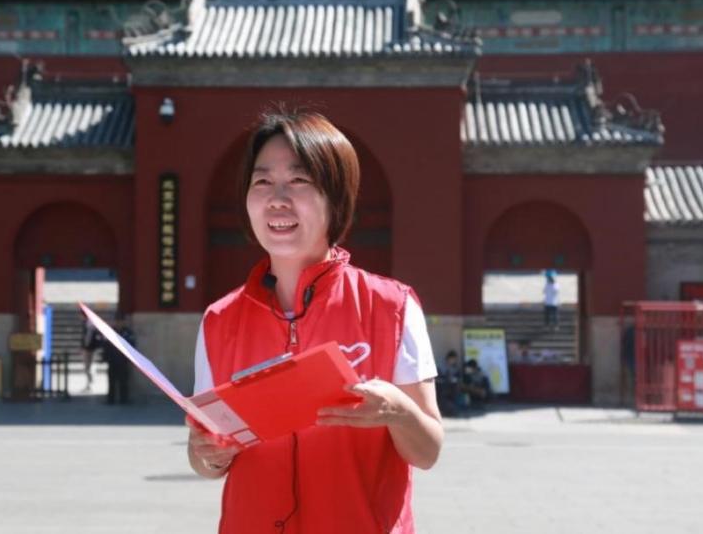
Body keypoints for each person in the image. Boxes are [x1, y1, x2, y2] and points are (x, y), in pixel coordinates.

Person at [187, 109, 442, 533]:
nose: (277, 198)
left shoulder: (391, 307)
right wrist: (206, 454)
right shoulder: (220, 319)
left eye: (299, 180)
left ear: (335, 199)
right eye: (262, 182)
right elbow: (204, 461)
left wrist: (398, 412)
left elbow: (428, 451)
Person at [104, 316, 133, 405]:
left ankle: (123, 399)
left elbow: (132, 344)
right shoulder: (110, 331)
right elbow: (105, 345)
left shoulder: (128, 332)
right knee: (111, 381)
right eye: (117, 321)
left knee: (123, 381)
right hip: (112, 360)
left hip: (123, 360)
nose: (118, 323)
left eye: (120, 321)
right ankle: (111, 399)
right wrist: (106, 357)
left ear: (123, 322)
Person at [435, 350, 463, 416]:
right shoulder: (441, 366)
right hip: (441, 385)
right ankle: (444, 408)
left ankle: (452, 407)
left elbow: (458, 377)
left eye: (455, 360)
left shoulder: (455, 367)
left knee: (455, 389)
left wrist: (454, 379)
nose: (454, 361)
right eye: (452, 359)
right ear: (449, 358)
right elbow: (438, 377)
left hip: (452, 385)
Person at [80, 311, 103, 393]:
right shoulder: (85, 324)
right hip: (87, 348)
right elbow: (84, 337)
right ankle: (89, 384)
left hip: (92, 349)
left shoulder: (92, 324)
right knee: (87, 367)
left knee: (90, 367)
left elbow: (91, 337)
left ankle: (90, 384)